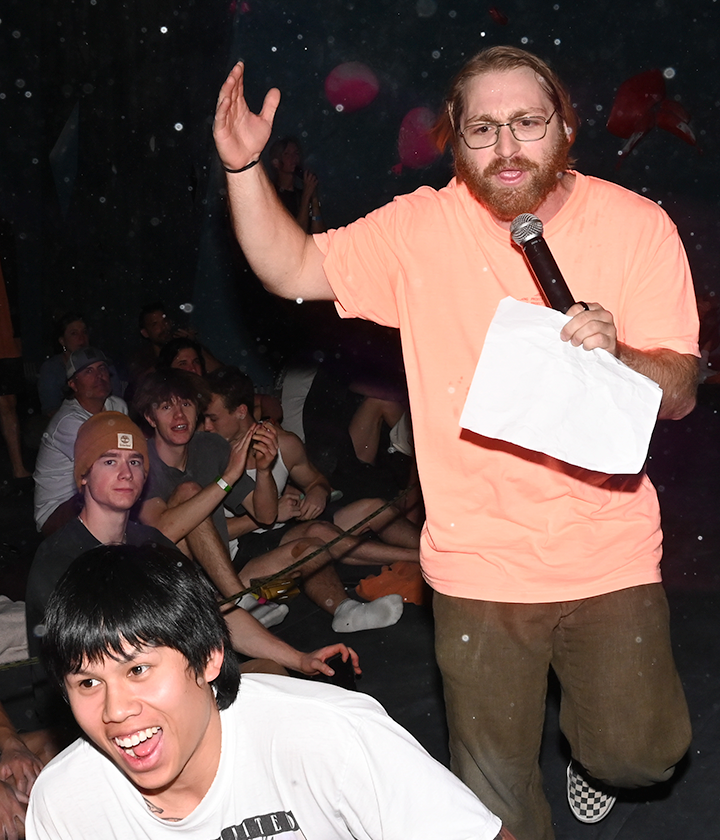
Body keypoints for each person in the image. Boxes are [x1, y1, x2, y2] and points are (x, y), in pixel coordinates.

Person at [213, 46, 699, 840]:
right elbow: (291, 266)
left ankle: (593, 754)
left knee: (641, 756)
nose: (506, 148)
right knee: (495, 800)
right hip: (476, 564)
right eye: (482, 129)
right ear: (455, 139)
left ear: (565, 127)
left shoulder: (637, 225)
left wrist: (623, 355)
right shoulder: (422, 228)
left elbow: (678, 393)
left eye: (527, 123)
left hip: (606, 551)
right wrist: (242, 170)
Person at [26, 543, 512, 840]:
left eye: (138, 670)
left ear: (210, 656)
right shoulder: (67, 803)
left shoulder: (328, 737)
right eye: (88, 682)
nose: (115, 711)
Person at [27, 412, 356, 681]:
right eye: (110, 462)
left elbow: (215, 612)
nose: (126, 473)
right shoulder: (60, 559)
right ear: (83, 475)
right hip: (112, 700)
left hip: (173, 680)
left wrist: (301, 659)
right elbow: (69, 670)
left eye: (135, 462)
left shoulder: (150, 544)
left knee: (274, 673)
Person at [136, 369, 404, 634]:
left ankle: (347, 612)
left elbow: (264, 515)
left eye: (186, 404)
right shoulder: (142, 461)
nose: (179, 415)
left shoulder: (210, 447)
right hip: (180, 582)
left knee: (310, 548)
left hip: (230, 566)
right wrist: (228, 478)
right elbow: (164, 530)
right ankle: (236, 602)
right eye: (165, 407)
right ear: (150, 417)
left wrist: (264, 471)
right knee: (188, 491)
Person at [204, 366, 421, 570]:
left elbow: (316, 481)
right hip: (243, 546)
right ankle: (425, 562)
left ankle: (436, 551)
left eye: (213, 418)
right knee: (319, 532)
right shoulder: (206, 456)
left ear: (241, 411)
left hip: (286, 528)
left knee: (373, 508)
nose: (206, 426)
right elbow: (207, 532)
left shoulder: (284, 443)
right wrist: (263, 518)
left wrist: (318, 492)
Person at [33, 347, 127, 536]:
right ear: (73, 384)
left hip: (92, 496)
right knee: (108, 483)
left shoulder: (117, 406)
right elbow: (105, 467)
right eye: (88, 372)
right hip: (57, 511)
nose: (98, 376)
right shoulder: (68, 422)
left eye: (101, 369)